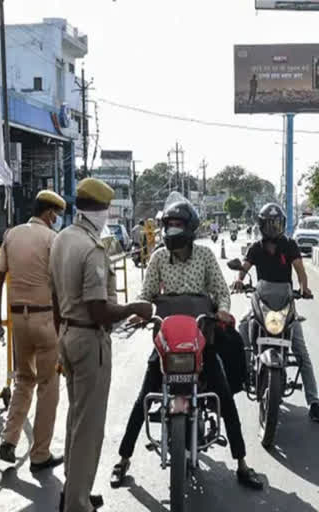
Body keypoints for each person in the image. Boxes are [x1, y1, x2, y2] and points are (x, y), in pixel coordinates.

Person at [111, 200, 264, 491]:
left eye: (177, 225)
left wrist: (221, 310)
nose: (172, 230)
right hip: (167, 340)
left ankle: (242, 463)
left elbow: (220, 291)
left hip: (201, 336)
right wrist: (140, 312)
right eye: (168, 225)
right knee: (144, 395)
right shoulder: (157, 258)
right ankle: (123, 460)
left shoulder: (206, 256)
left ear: (190, 228)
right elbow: (147, 294)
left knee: (225, 398)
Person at [50, 178, 153, 512]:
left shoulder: (63, 238)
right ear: (102, 209)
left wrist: (61, 337)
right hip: (89, 337)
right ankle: (78, 504)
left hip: (67, 333)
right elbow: (98, 309)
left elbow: (55, 297)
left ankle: (74, 490)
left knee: (75, 420)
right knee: (88, 428)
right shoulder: (90, 248)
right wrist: (133, 309)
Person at [233, 203, 319, 423]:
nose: (273, 227)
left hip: (285, 302)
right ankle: (245, 370)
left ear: (282, 224)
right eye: (269, 223)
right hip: (261, 300)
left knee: (301, 352)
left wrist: (304, 288)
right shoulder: (255, 248)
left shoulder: (290, 245)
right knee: (243, 326)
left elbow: (300, 271)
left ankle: (314, 402)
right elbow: (244, 269)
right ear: (262, 224)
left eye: (276, 223)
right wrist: (238, 281)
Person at [0, 190, 66, 471]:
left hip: (17, 320)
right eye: (56, 215)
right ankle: (40, 454)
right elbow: (59, 289)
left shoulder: (11, 235)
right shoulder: (52, 239)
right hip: (45, 318)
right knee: (48, 387)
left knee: (24, 379)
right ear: (49, 214)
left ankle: (9, 440)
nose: (56, 220)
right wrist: (61, 327)